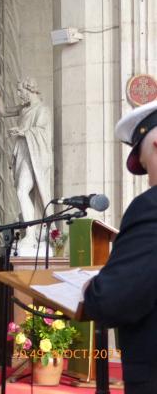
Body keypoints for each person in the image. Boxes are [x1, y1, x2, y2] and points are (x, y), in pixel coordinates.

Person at [83, 101, 157, 394]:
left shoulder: (151, 207)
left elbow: (114, 301)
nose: (150, 178)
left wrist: (94, 289)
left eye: (146, 163)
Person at [0, 78, 53, 252]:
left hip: (34, 154)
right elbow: (3, 112)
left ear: (30, 89)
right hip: (23, 152)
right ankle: (30, 231)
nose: (19, 95)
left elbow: (43, 132)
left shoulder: (42, 110)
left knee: (22, 190)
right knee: (21, 191)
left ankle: (31, 231)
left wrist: (23, 131)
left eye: (20, 91)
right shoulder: (24, 109)